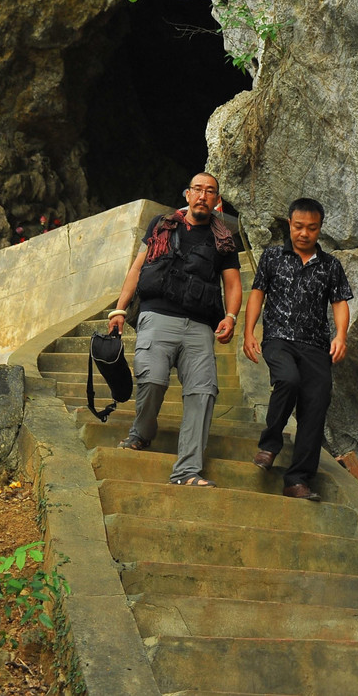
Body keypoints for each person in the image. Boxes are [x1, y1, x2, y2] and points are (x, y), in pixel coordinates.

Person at [107, 173, 241, 486]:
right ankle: (142, 432)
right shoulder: (161, 224)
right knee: (152, 380)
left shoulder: (223, 239)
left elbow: (233, 283)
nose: (203, 196)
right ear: (187, 193)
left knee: (203, 392)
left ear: (216, 200)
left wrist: (231, 316)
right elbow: (137, 269)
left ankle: (187, 471)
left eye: (210, 192)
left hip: (199, 326)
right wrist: (119, 308)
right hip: (157, 316)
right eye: (198, 190)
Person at [242, 197, 352, 501]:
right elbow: (257, 294)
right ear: (290, 224)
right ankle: (270, 444)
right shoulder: (273, 257)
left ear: (319, 229)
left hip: (316, 346)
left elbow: (339, 302)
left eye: (312, 228)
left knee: (315, 407)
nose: (304, 233)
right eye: (299, 226)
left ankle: (298, 480)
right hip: (278, 339)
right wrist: (248, 332)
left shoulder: (331, 266)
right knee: (287, 380)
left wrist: (341, 335)